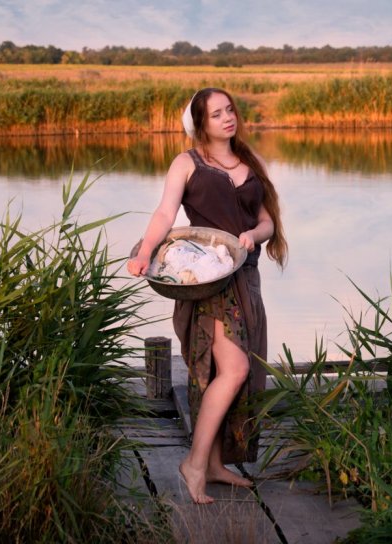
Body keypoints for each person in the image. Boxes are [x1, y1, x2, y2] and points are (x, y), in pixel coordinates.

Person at [127, 88, 287, 504]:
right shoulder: (187, 163)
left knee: (227, 373)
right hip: (210, 278)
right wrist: (145, 252)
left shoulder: (251, 162)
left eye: (229, 109)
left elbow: (267, 221)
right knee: (232, 371)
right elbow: (165, 214)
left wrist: (253, 234)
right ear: (201, 124)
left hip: (246, 278)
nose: (227, 118)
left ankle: (216, 465)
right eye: (216, 114)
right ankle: (195, 464)